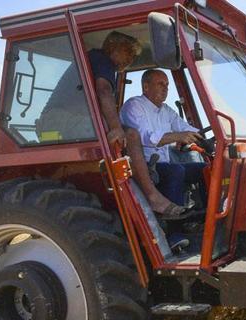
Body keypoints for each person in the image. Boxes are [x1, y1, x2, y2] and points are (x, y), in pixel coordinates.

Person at [38, 31, 186, 218]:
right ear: (114, 48)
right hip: (58, 121)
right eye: (129, 53)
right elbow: (104, 91)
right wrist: (116, 128)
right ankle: (152, 196)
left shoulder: (100, 63)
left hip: (70, 119)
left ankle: (146, 189)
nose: (130, 60)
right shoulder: (102, 59)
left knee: (129, 136)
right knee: (130, 135)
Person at [121, 69, 207, 216]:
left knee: (205, 169)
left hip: (164, 164)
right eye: (160, 84)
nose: (166, 88)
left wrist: (204, 138)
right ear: (146, 86)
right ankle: (175, 229)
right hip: (143, 166)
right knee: (176, 171)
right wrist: (177, 137)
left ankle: (205, 215)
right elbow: (146, 138)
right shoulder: (134, 106)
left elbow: (184, 128)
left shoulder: (166, 110)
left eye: (167, 84)